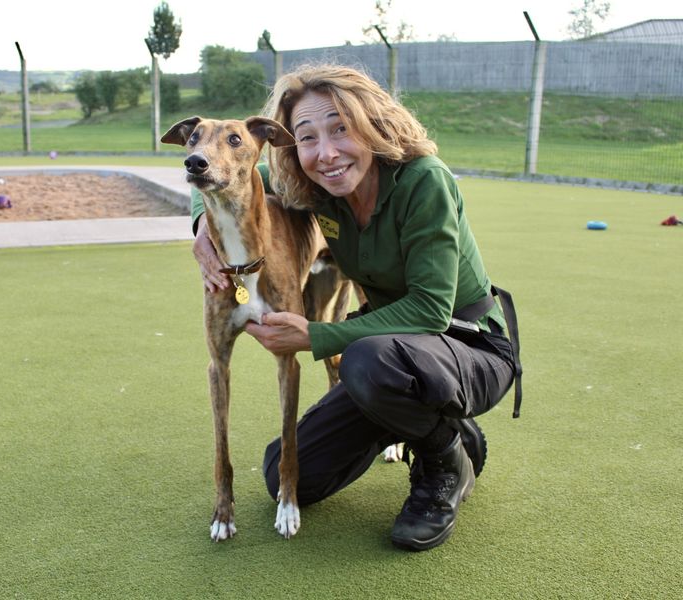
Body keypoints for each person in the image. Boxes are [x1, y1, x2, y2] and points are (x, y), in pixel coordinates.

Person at [190, 63, 521, 551]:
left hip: (466, 344)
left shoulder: (423, 180)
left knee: (366, 359)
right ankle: (418, 417)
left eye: (340, 129)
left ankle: (444, 459)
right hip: (391, 354)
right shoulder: (317, 186)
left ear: (372, 124)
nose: (326, 153)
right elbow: (228, 167)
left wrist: (316, 334)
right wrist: (200, 224)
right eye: (307, 137)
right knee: (286, 474)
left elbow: (430, 311)